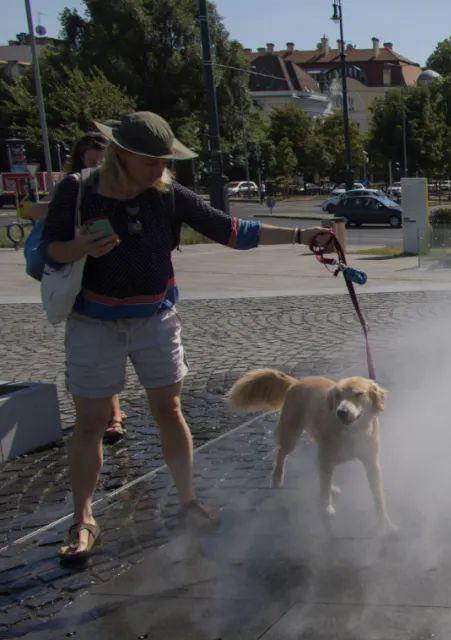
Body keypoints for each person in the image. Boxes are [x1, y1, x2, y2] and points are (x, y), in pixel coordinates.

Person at [42, 111, 335, 563]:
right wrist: (79, 247)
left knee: (169, 408)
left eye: (164, 162)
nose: (160, 171)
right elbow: (50, 250)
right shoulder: (78, 191)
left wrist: (302, 234)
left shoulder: (166, 194)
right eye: (150, 163)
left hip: (154, 317)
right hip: (93, 322)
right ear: (121, 155)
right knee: (91, 423)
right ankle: (83, 520)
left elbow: (232, 231)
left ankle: (187, 502)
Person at [29, 132, 133, 445]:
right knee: (93, 350)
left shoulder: (123, 186)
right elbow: (42, 227)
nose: (97, 165)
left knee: (112, 348)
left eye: (101, 159)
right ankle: (104, 416)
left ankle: (112, 414)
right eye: (91, 160)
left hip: (116, 274)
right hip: (81, 276)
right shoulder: (71, 187)